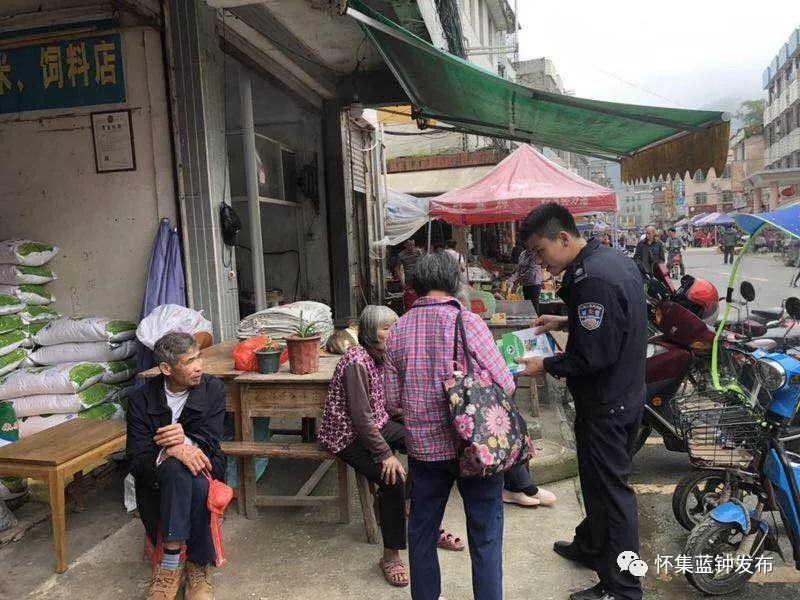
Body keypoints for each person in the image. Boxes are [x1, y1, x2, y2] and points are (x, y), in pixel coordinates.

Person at [515, 203, 647, 600]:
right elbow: (610, 322)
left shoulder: (593, 280)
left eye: (540, 252)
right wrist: (564, 322)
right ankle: (591, 546)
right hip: (622, 393)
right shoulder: (608, 260)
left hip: (608, 402)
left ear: (564, 238)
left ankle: (622, 587)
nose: (539, 262)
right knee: (596, 483)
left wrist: (547, 365)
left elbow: (593, 355)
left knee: (611, 493)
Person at [384, 252, 515, 600]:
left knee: (423, 532)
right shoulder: (469, 323)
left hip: (425, 451)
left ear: (415, 286)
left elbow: (391, 401)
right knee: (485, 534)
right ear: (454, 282)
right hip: (474, 447)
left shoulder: (397, 330)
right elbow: (506, 383)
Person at [318, 305, 465, 587]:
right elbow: (361, 419)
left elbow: (384, 406)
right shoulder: (356, 362)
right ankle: (390, 555)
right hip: (347, 436)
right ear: (372, 332)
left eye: (394, 326)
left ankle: (421, 522)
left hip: (378, 424)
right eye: (386, 328)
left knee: (425, 446)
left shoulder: (382, 356)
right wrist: (385, 454)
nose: (393, 332)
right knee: (394, 477)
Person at [127, 332, 226, 600]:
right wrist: (171, 450)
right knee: (175, 468)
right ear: (166, 368)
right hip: (158, 478)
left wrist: (185, 441)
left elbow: (211, 441)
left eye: (199, 358)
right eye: (189, 361)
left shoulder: (212, 388)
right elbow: (136, 457)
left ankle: (171, 564)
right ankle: (198, 564)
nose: (199, 366)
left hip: (207, 469)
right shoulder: (140, 399)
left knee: (186, 472)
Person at [512, 244, 543, 315]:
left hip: (534, 284)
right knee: (527, 305)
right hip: (525, 284)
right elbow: (519, 267)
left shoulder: (535, 255)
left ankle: (536, 323)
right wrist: (515, 276)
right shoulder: (523, 254)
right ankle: (530, 323)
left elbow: (531, 272)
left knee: (533, 306)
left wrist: (518, 280)